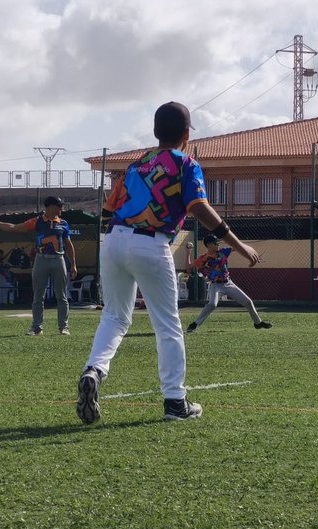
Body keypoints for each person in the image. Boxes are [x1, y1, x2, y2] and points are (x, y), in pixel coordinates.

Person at [76, 101, 262, 424]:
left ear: (154, 131)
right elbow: (199, 208)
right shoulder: (186, 163)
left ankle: (95, 369)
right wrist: (239, 244)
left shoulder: (136, 165)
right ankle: (175, 402)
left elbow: (108, 209)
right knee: (167, 324)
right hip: (150, 242)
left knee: (115, 317)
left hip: (114, 239)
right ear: (187, 134)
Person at [0, 196, 78, 335]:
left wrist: (73, 265)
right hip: (41, 260)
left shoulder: (64, 223)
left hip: (59, 259)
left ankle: (64, 327)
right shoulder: (37, 221)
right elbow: (14, 227)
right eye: (59, 206)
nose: (61, 209)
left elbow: (69, 244)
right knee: (38, 296)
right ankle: (37, 327)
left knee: (62, 295)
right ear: (51, 207)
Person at [186, 234, 271, 333]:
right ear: (208, 245)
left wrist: (251, 253)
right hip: (215, 285)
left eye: (218, 242)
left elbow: (238, 248)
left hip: (228, 283)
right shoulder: (203, 259)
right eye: (215, 242)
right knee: (212, 304)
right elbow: (188, 268)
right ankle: (195, 324)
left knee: (248, 302)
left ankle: (258, 323)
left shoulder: (223, 252)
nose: (218, 244)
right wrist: (188, 253)